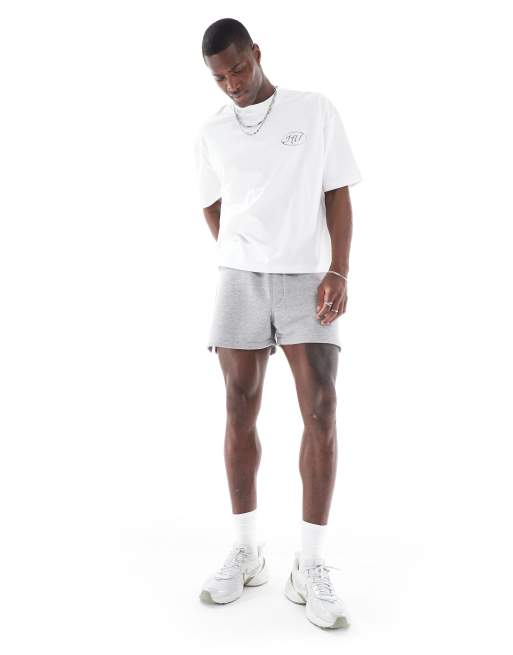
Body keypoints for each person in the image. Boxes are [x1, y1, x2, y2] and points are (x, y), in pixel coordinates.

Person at [193, 17, 362, 630]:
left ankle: (309, 566)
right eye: (221, 78)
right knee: (239, 406)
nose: (233, 84)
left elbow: (337, 191)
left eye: (239, 69)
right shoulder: (212, 131)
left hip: (306, 277)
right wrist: (240, 250)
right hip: (240, 279)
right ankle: (248, 553)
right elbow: (211, 202)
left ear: (257, 53)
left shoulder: (312, 110)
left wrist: (338, 269)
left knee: (321, 406)